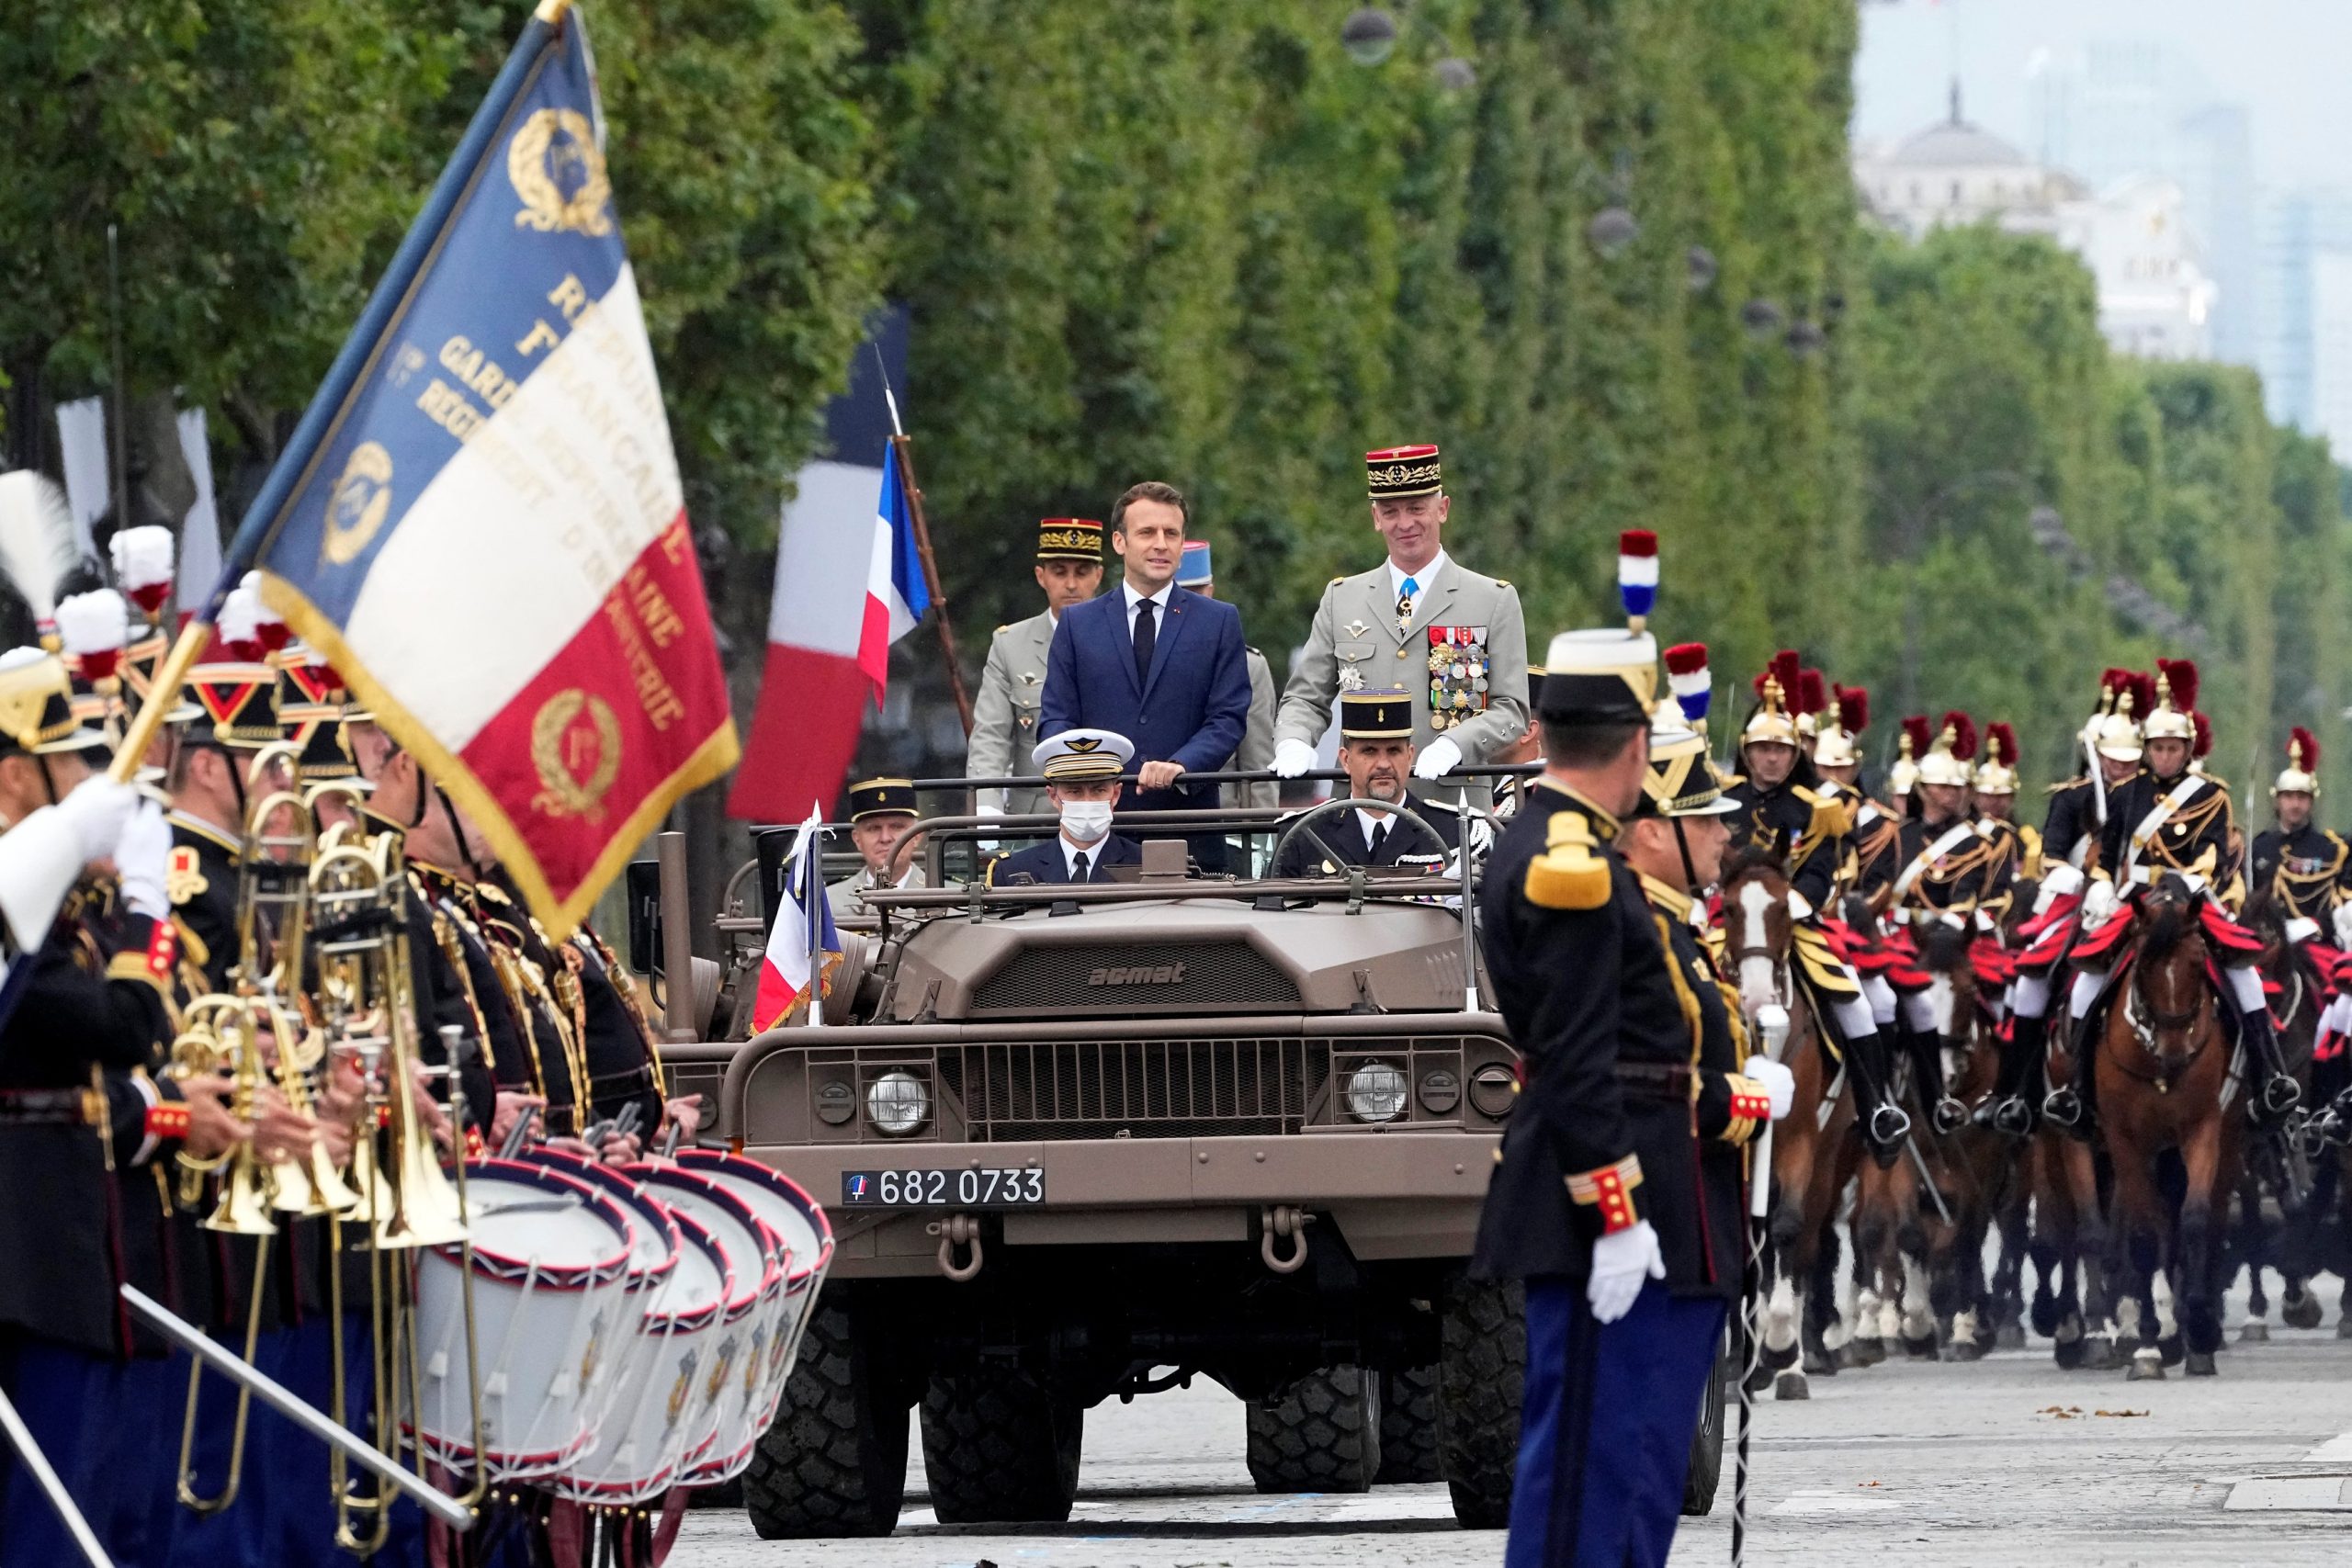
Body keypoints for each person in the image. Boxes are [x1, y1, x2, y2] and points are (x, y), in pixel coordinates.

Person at [1471, 614, 1781, 1568]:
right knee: (1589, 1474)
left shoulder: (1570, 848)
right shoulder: (1570, 867)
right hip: (1615, 1198)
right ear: (1637, 744)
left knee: (1627, 1466)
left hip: (1647, 1185)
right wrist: (1613, 1211)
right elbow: (1571, 1059)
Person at [2050, 660, 2298, 1127]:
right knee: (2085, 983)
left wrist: (2190, 889)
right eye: (2158, 748)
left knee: (2243, 975)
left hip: (2189, 900)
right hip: (2136, 902)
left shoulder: (2211, 797)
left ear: (2187, 749)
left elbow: (2212, 857)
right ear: (2147, 749)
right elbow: (2108, 855)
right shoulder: (2126, 794)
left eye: (2173, 748)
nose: (2165, 756)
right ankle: (2078, 1090)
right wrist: (2102, 887)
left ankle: (2270, 1077)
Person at [1272, 444, 1531, 791]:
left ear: (1442, 509)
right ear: (1376, 519)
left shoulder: (1490, 600)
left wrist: (1456, 743)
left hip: (1451, 803)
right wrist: (1294, 741)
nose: (1405, 523)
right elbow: (1306, 698)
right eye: (1391, 511)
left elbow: (1511, 709)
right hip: (1360, 805)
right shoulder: (1342, 598)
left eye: (1416, 508)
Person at [1039, 483, 1250, 871]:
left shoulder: (1218, 621)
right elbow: (1056, 717)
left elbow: (1228, 717)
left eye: (1171, 533)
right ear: (1119, 542)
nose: (1161, 544)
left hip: (1189, 822)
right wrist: (1090, 776)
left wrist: (1182, 765)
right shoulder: (1077, 624)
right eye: (1147, 532)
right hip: (1098, 825)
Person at [1988, 670, 2148, 1133]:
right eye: (2113, 761)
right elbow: (2052, 858)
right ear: (2096, 755)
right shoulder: (2070, 799)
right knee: (2032, 984)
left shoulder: (2149, 799)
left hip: (2137, 905)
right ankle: (2016, 1094)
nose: (2120, 769)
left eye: (2128, 761)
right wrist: (2087, 884)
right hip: (2082, 904)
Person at [1883, 714, 2015, 1134]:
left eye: (1959, 788)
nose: (1952, 795)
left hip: (1952, 940)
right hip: (1897, 937)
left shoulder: (1978, 842)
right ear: (1923, 789)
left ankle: (2005, 1094)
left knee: (1999, 1001)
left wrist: (1947, 930)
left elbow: (1968, 896)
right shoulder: (1896, 836)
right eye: (1942, 787)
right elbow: (1876, 888)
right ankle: (1868, 1098)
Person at [970, 518, 1104, 819]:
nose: (1071, 584)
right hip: (1035, 815)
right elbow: (991, 734)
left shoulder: (1123, 637)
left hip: (1109, 807)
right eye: (1059, 572)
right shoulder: (1010, 645)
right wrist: (987, 808)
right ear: (1041, 576)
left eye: (1082, 572)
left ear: (1098, 575)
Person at [1272, 689, 1459, 876]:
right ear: (1346, 760)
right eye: (1369, 751)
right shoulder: (1305, 833)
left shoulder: (1452, 831)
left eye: (1394, 751)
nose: (1384, 764)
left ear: (1410, 756)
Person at [1176, 540, 1277, 812]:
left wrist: (1260, 842)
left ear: (1210, 591)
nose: (1188, 603)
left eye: (1196, 592)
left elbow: (1258, 766)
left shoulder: (1247, 665)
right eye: (1180, 593)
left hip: (1225, 827)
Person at [987, 730, 1144, 886]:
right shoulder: (1012, 870)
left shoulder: (1146, 864)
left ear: (1116, 794)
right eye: (1075, 791)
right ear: (1053, 796)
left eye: (1098, 790)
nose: (1087, 801)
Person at [2247, 728, 2349, 930]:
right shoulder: (2259, 847)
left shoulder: (2331, 849)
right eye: (2288, 797)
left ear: (2311, 802)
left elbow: (2343, 906)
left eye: (2302, 798)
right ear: (2277, 800)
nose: (2295, 804)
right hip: (2266, 942)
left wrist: (2315, 925)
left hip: (2312, 940)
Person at [827, 778, 929, 920]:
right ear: (857, 839)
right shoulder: (829, 902)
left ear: (917, 836)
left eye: (896, 826)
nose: (885, 838)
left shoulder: (949, 897)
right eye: (873, 828)